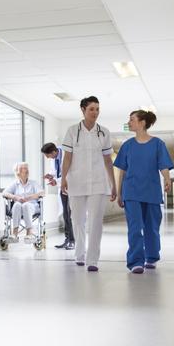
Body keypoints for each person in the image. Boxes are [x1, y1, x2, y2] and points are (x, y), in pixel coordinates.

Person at [61, 96, 117, 272]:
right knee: (77, 221)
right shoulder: (72, 131)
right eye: (92, 109)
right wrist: (63, 178)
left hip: (99, 183)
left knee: (95, 222)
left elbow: (108, 160)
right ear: (83, 110)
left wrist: (113, 184)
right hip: (76, 182)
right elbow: (67, 157)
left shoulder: (104, 132)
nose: (95, 112)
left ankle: (92, 259)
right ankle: (79, 253)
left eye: (98, 109)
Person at [114, 110, 173, 274]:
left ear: (142, 123)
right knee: (134, 227)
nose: (129, 122)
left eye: (132, 119)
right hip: (131, 192)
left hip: (152, 191)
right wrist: (119, 193)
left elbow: (163, 165)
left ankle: (151, 257)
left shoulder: (158, 144)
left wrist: (167, 179)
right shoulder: (127, 145)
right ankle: (135, 261)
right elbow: (122, 172)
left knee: (151, 228)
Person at [41, 142, 75, 250]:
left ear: (54, 152)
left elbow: (69, 172)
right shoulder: (54, 158)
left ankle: (72, 241)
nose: (47, 158)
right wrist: (51, 176)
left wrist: (56, 181)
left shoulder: (67, 154)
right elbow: (57, 172)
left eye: (48, 155)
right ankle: (67, 239)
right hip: (63, 187)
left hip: (72, 187)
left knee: (70, 215)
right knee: (65, 214)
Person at [2, 162, 44, 243]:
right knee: (17, 204)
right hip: (17, 209)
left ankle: (29, 232)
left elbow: (42, 193)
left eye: (27, 168)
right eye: (23, 168)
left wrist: (29, 198)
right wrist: (15, 197)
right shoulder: (15, 184)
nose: (27, 170)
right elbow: (4, 193)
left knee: (25, 205)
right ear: (17, 172)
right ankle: (14, 233)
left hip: (32, 207)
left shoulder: (33, 183)